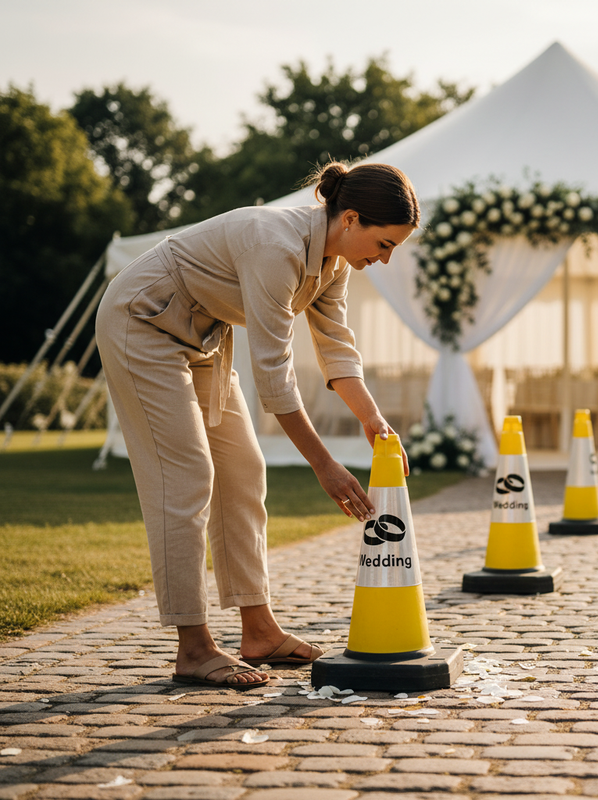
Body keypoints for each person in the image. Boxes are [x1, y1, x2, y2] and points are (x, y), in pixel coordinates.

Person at [96, 161, 419, 688]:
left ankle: (259, 632)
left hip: (203, 337)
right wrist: (325, 465)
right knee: (187, 477)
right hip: (142, 322)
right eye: (384, 244)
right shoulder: (278, 247)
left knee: (244, 471)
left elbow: (337, 347)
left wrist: (374, 420)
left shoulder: (334, 262)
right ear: (351, 218)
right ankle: (194, 648)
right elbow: (275, 373)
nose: (383, 259)